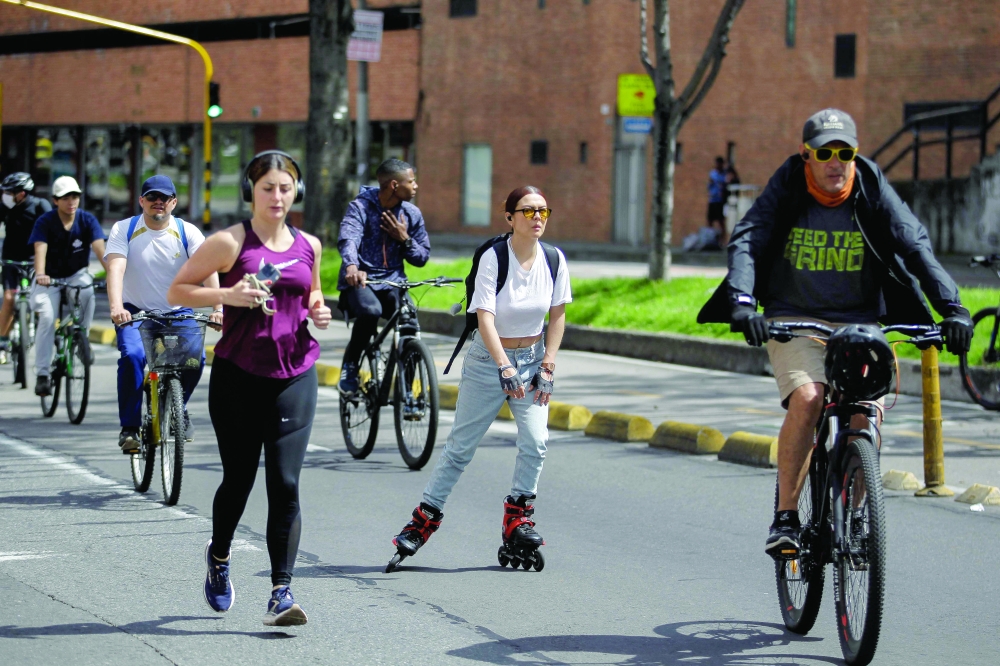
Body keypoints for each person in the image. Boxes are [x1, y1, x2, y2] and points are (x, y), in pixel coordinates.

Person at [697, 108, 973, 558]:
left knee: (864, 412)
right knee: (809, 397)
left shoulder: (869, 183)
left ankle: (856, 515)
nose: (836, 162)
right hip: (794, 319)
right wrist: (744, 303)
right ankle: (786, 517)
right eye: (825, 152)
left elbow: (913, 242)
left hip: (860, 324)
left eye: (845, 152)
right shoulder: (789, 184)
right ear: (806, 155)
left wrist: (953, 309)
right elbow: (748, 237)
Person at [167, 151, 332, 626]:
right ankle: (219, 558)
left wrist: (317, 309)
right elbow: (179, 290)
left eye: (285, 187)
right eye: (268, 188)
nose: (277, 196)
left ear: (295, 191)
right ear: (251, 191)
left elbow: (310, 291)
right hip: (239, 376)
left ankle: (281, 592)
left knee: (284, 482)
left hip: (295, 374)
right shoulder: (229, 243)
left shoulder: (309, 245)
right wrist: (227, 294)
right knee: (239, 480)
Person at [386, 185, 571, 570]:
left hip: (533, 360)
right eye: (528, 211)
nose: (537, 218)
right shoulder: (493, 257)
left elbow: (558, 314)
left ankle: (518, 517)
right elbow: (484, 317)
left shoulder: (554, 259)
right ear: (509, 218)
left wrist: (548, 364)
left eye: (543, 211)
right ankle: (423, 521)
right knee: (460, 449)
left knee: (537, 442)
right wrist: (503, 365)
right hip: (490, 361)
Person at [105, 175, 223, 453]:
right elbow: (115, 268)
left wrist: (218, 308)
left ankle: (177, 408)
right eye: (152, 197)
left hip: (178, 310)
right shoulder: (124, 229)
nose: (158, 202)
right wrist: (116, 307)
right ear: (141, 201)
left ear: (174, 203)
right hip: (134, 310)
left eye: (164, 198)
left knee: (196, 359)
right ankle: (130, 428)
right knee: (133, 357)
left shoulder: (187, 232)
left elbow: (208, 269)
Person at [336, 158, 430, 393]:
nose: (416, 186)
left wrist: (404, 239)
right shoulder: (360, 208)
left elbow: (421, 258)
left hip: (393, 282)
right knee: (370, 311)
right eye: (412, 181)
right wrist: (351, 266)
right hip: (361, 280)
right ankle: (350, 366)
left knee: (409, 324)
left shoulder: (411, 214)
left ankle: (408, 392)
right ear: (394, 185)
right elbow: (349, 238)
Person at [29, 176, 107, 397]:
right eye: (65, 197)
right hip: (49, 278)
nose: (71, 201)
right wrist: (42, 274)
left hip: (76, 275)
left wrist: (113, 275)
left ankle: (83, 338)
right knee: (46, 317)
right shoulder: (45, 221)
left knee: (88, 291)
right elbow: (40, 250)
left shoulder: (87, 220)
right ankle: (43, 374)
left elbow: (101, 252)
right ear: (55, 200)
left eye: (75, 196)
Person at [0, 172, 51, 358]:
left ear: (21, 193)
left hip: (35, 261)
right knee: (9, 298)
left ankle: (43, 336)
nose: (5, 195)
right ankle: (3, 342)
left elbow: (52, 229)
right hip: (10, 260)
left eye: (9, 192)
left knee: (40, 300)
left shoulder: (40, 206)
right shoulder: (5, 207)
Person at [707, 156, 728, 239]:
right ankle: (709, 238)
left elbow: (725, 184)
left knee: (721, 220)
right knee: (710, 220)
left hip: (720, 200)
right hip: (712, 199)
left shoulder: (724, 174)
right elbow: (709, 185)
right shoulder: (713, 173)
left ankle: (723, 240)